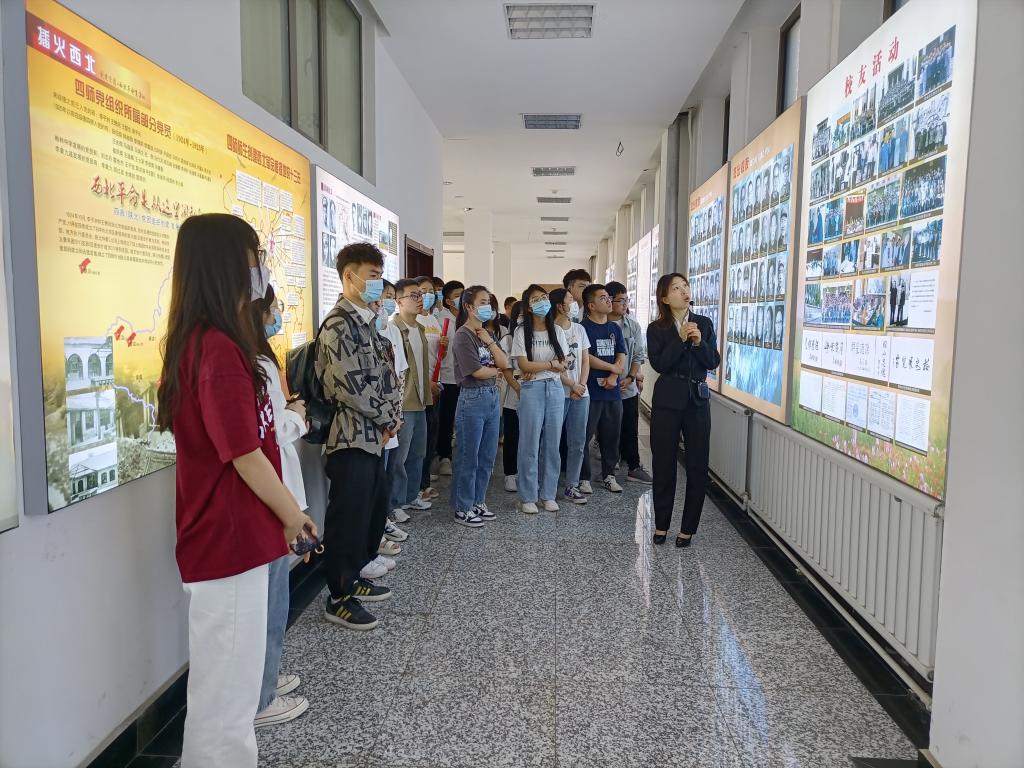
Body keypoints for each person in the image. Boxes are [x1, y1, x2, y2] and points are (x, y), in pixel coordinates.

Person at [156, 213, 315, 767]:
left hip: (234, 536)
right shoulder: (217, 349)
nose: (260, 271)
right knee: (227, 700)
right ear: (224, 266)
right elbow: (244, 453)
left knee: (228, 688)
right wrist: (293, 514)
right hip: (228, 540)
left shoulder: (208, 342)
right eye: (253, 260)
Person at [317, 242, 402, 631]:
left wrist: (391, 418)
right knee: (347, 518)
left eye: (379, 275)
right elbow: (349, 386)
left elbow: (385, 374)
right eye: (372, 275)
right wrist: (387, 417)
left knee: (371, 510)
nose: (378, 283)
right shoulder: (338, 325)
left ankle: (355, 575)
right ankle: (338, 596)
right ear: (349, 276)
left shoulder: (366, 321)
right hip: (351, 437)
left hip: (374, 435)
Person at [249, 287, 311, 730]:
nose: (277, 317)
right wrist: (295, 413)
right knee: (268, 602)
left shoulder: (259, 360)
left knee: (275, 597)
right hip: (270, 494)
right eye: (272, 310)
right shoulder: (253, 364)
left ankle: (266, 678)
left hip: (276, 489)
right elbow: (268, 434)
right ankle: (260, 697)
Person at [647, 273, 720, 548]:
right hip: (667, 399)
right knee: (663, 463)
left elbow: (713, 361)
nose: (683, 291)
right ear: (665, 298)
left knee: (697, 465)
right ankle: (661, 524)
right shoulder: (656, 328)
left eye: (685, 286)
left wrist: (700, 343)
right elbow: (660, 364)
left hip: (697, 401)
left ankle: (688, 528)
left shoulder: (704, 323)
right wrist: (679, 339)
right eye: (676, 288)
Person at [450, 286, 509, 527]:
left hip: (492, 397)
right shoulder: (463, 335)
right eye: (483, 302)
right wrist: (496, 371)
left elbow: (504, 362)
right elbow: (475, 371)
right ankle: (462, 507)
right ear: (469, 307)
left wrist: (490, 342)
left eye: (489, 302)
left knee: (487, 456)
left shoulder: (486, 333)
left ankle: (478, 501)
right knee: (468, 457)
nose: (488, 307)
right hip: (473, 398)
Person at [512, 285, 570, 514]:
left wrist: (543, 367)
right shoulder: (521, 333)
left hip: (555, 389)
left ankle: (548, 494)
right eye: (536, 299)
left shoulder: (558, 331)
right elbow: (523, 365)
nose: (542, 302)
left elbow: (563, 364)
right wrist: (550, 365)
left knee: (552, 444)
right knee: (529, 443)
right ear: (528, 306)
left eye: (544, 297)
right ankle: (527, 496)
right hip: (531, 389)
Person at [389, 278, 435, 524]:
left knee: (418, 452)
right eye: (414, 295)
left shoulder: (420, 329)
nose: (420, 300)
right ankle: (396, 503)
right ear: (399, 301)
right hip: (403, 402)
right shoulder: (393, 329)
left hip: (421, 399)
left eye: (421, 295)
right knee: (400, 457)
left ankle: (411, 495)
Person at [580, 284, 627, 493]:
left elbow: (621, 354)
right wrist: (611, 368)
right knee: (584, 436)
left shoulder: (614, 328)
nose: (609, 300)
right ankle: (583, 478)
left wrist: (614, 375)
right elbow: (586, 357)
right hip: (590, 391)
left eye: (609, 297)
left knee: (612, 436)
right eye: (603, 298)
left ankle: (609, 475)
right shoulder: (582, 328)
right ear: (591, 305)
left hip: (612, 391)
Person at [605, 282, 652, 484]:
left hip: (627, 386)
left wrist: (631, 377)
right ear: (608, 301)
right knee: (606, 429)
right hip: (603, 387)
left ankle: (634, 466)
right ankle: (607, 468)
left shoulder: (632, 325)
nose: (625, 304)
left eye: (627, 300)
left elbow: (638, 355)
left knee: (630, 428)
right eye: (620, 300)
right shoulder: (596, 324)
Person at [551, 288, 590, 504]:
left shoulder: (579, 329)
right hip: (558, 392)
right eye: (570, 299)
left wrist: (581, 385)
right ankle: (548, 484)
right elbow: (553, 366)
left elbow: (585, 360)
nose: (574, 302)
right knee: (552, 441)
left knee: (578, 442)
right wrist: (572, 385)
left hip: (581, 394)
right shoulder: (550, 330)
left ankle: (572, 485)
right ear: (560, 305)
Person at [414, 276, 445, 505]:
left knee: (431, 436)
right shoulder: (413, 320)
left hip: (436, 385)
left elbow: (437, 354)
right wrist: (427, 383)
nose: (427, 295)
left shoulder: (433, 319)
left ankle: (424, 482)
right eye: (422, 291)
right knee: (419, 440)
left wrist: (444, 345)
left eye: (431, 291)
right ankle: (416, 486)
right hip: (421, 387)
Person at [435, 280, 465, 477]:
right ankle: (444, 456)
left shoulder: (468, 318)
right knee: (446, 419)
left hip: (467, 377)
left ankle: (462, 455)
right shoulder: (441, 319)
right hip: (447, 377)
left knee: (464, 419)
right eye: (457, 295)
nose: (462, 298)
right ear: (448, 300)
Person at [499, 301, 524, 492]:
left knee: (530, 438)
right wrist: (518, 388)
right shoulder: (508, 339)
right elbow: (506, 369)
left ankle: (525, 472)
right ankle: (510, 474)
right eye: (521, 315)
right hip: (513, 397)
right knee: (512, 436)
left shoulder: (537, 338)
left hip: (535, 396)